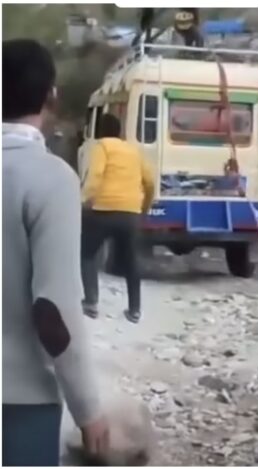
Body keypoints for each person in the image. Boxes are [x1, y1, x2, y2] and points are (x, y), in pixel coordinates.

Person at [2, 38, 109, 466]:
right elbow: (54, 311)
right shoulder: (50, 179)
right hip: (20, 406)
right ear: (51, 95)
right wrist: (88, 408)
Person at [80, 113, 155, 324]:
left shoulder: (102, 146)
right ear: (120, 131)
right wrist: (144, 207)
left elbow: (95, 175)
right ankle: (134, 310)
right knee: (131, 260)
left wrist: (84, 199)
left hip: (102, 210)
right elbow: (149, 182)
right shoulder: (133, 150)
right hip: (130, 212)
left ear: (101, 131)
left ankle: (91, 302)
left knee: (87, 254)